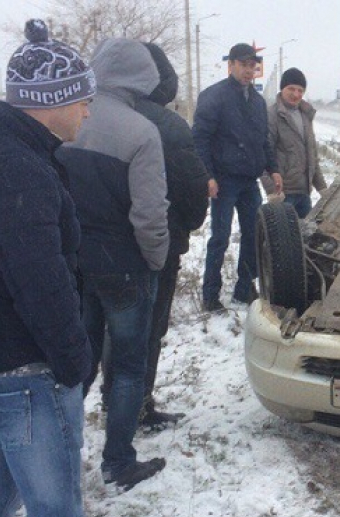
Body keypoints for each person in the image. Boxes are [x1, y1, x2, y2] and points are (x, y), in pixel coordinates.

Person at [0, 19, 98, 517]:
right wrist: (74, 362)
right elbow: (39, 280)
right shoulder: (24, 171)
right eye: (83, 98)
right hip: (29, 373)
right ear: (53, 101)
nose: (88, 111)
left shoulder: (16, 154)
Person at [58, 38, 169, 488]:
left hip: (78, 262)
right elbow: (149, 214)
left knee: (79, 357)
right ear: (142, 79)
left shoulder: (70, 120)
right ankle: (119, 462)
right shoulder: (141, 132)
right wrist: (156, 260)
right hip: (126, 267)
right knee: (127, 366)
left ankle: (57, 450)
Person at [122, 42, 209, 428]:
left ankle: (114, 399)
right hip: (158, 244)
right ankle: (138, 406)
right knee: (149, 329)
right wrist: (186, 226)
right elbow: (192, 187)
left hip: (104, 247)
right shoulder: (169, 125)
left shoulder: (96, 115)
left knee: (114, 328)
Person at [193, 43, 282, 313]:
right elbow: (199, 139)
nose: (248, 70)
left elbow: (262, 140)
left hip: (248, 181)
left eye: (252, 66)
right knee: (219, 237)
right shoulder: (214, 96)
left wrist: (273, 168)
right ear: (230, 65)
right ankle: (210, 295)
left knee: (253, 235)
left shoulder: (256, 101)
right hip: (223, 180)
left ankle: (244, 290)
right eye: (243, 65)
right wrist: (207, 176)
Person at [269, 67, 327, 218]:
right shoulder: (272, 116)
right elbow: (264, 155)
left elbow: (312, 155)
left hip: (304, 193)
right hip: (283, 194)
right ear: (282, 89)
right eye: (291, 89)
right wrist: (272, 190)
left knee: (306, 237)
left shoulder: (306, 115)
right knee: (283, 240)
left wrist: (322, 188)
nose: (296, 94)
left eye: (300, 90)